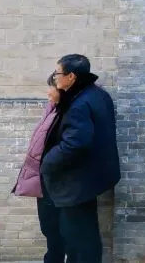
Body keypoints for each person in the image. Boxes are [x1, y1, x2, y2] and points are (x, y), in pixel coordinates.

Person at [39, 54, 120, 263]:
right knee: (85, 233)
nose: (55, 78)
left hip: (76, 182)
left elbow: (75, 143)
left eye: (57, 73)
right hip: (92, 176)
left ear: (71, 77)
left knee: (79, 237)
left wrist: (46, 162)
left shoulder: (78, 105)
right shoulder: (98, 95)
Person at [13, 74, 61, 263]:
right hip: (45, 181)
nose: (48, 92)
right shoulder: (52, 110)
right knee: (49, 229)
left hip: (56, 183)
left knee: (55, 231)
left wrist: (46, 166)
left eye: (52, 87)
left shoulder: (68, 114)